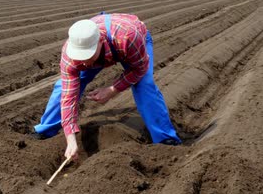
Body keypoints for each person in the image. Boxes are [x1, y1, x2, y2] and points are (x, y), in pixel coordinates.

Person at [32, 12, 181, 161]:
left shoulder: (128, 38)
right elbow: (68, 96)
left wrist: (112, 90)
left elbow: (139, 69)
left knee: (144, 85)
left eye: (87, 56)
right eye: (80, 57)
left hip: (132, 42)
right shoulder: (70, 55)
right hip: (106, 45)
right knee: (62, 88)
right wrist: (70, 139)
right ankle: (46, 130)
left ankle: (165, 139)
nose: (84, 63)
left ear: (100, 41)